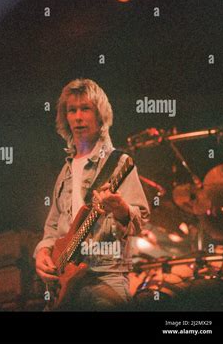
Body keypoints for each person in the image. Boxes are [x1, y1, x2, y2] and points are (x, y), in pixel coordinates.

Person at [34, 78, 150, 310]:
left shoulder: (119, 163)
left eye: (85, 109)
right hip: (65, 282)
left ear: (100, 115)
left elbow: (141, 221)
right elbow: (52, 229)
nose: (78, 117)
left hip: (105, 276)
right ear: (65, 118)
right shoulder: (65, 172)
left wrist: (121, 209)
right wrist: (42, 254)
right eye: (72, 110)